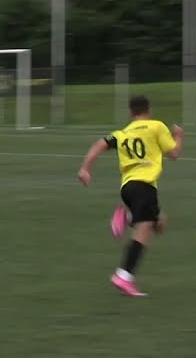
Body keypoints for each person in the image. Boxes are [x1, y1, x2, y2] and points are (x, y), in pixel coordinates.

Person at [78, 95, 183, 297]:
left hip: (128, 188)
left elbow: (98, 144)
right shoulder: (156, 126)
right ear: (148, 110)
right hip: (144, 187)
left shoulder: (123, 132)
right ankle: (124, 276)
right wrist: (178, 135)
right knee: (143, 234)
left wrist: (85, 169)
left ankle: (126, 217)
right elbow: (174, 154)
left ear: (131, 112)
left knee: (160, 224)